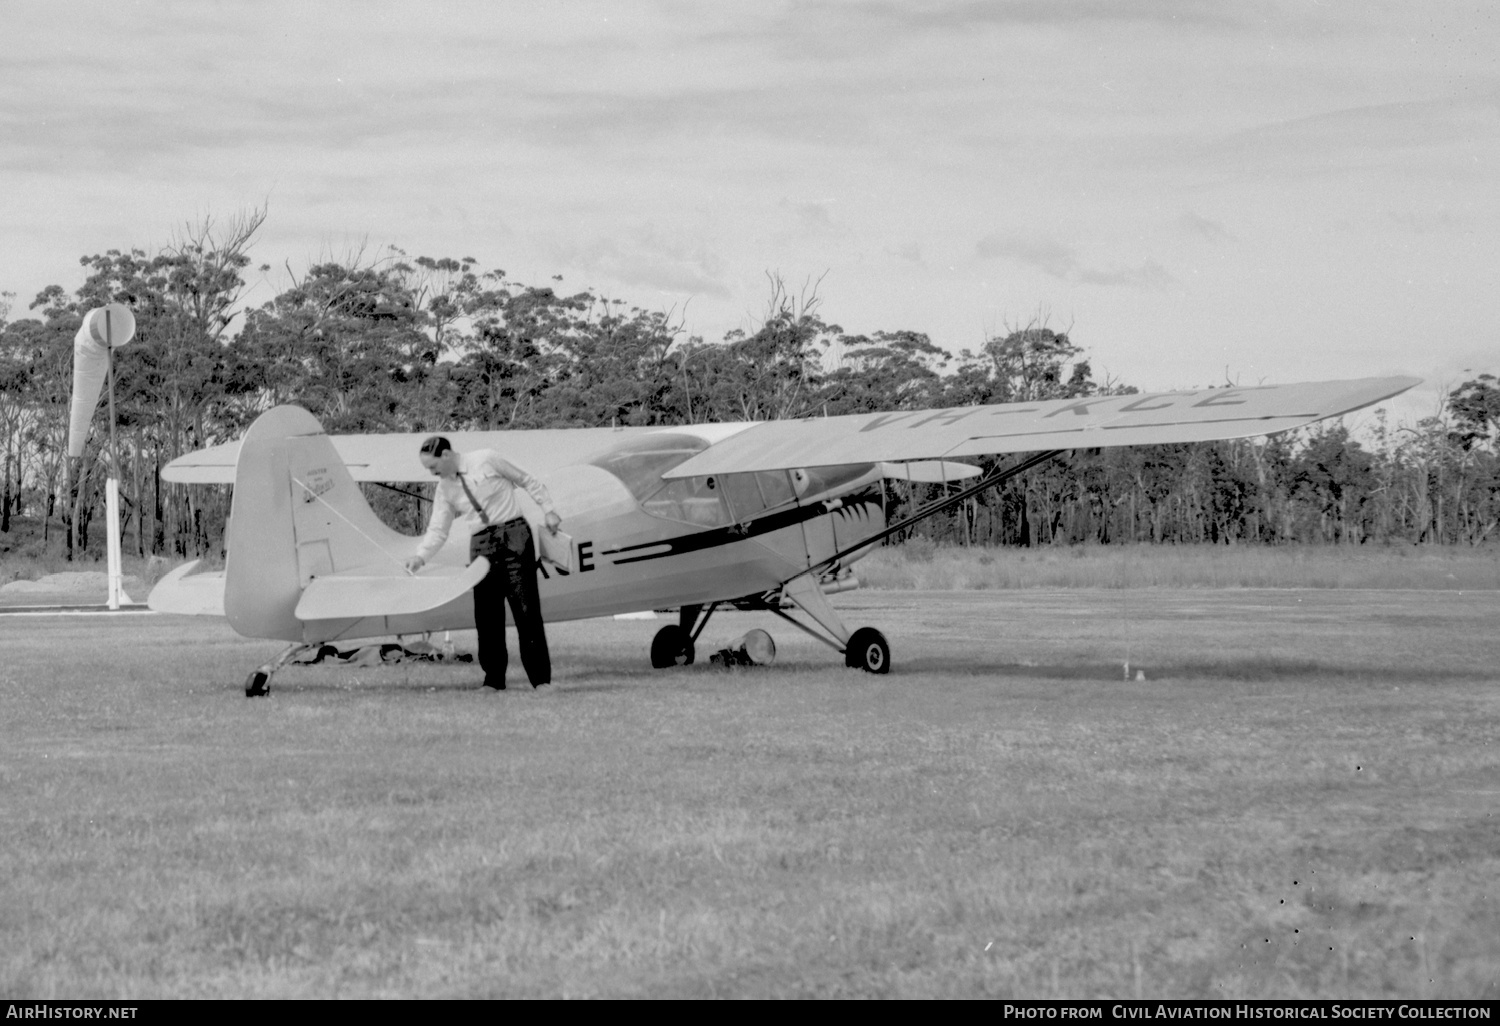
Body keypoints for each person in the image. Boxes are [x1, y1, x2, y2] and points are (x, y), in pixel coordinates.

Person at [403, 436, 562, 690]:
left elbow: (527, 480)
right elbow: (438, 529)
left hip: (514, 535)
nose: (432, 473)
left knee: (526, 610)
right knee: (486, 615)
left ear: (446, 455)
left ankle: (541, 681)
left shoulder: (487, 459)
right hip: (481, 543)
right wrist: (420, 556)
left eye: (433, 467)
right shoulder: (445, 488)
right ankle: (493, 680)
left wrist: (549, 509)